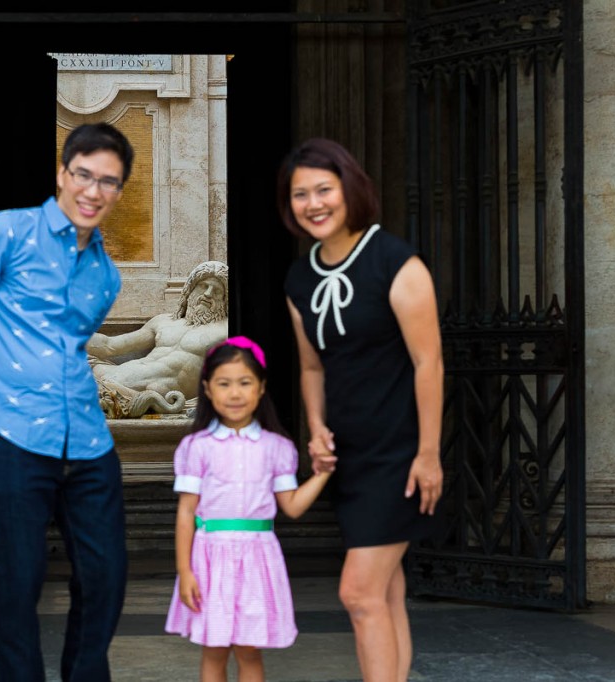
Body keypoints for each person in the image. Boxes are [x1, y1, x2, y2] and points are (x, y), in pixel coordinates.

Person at [0, 122, 134, 681]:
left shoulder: (105, 276)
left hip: (86, 436)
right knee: (16, 580)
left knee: (107, 572)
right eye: (83, 175)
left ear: (119, 192)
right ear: (62, 174)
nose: (93, 191)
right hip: (10, 430)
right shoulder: (7, 234)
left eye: (108, 182)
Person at [280, 138, 444, 682]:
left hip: (399, 454)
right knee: (386, 591)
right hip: (350, 456)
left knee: (358, 591)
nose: (313, 202)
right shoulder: (299, 279)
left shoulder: (394, 261)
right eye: (300, 193)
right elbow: (312, 368)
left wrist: (428, 454)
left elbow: (429, 364)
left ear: (350, 189)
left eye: (323, 189)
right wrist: (317, 429)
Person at [165, 336, 331, 682]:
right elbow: (185, 514)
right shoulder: (197, 448)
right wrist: (185, 571)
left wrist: (322, 475)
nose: (235, 393)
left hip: (258, 560)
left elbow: (293, 506)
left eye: (245, 383)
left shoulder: (277, 448)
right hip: (209, 559)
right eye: (224, 384)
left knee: (249, 649)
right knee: (214, 650)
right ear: (208, 389)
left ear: (261, 388)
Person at [87, 261, 229, 417]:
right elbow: (109, 346)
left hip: (135, 397)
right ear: (190, 289)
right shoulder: (163, 321)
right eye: (203, 286)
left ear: (225, 299)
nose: (208, 294)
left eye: (216, 291)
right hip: (106, 378)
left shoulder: (226, 330)